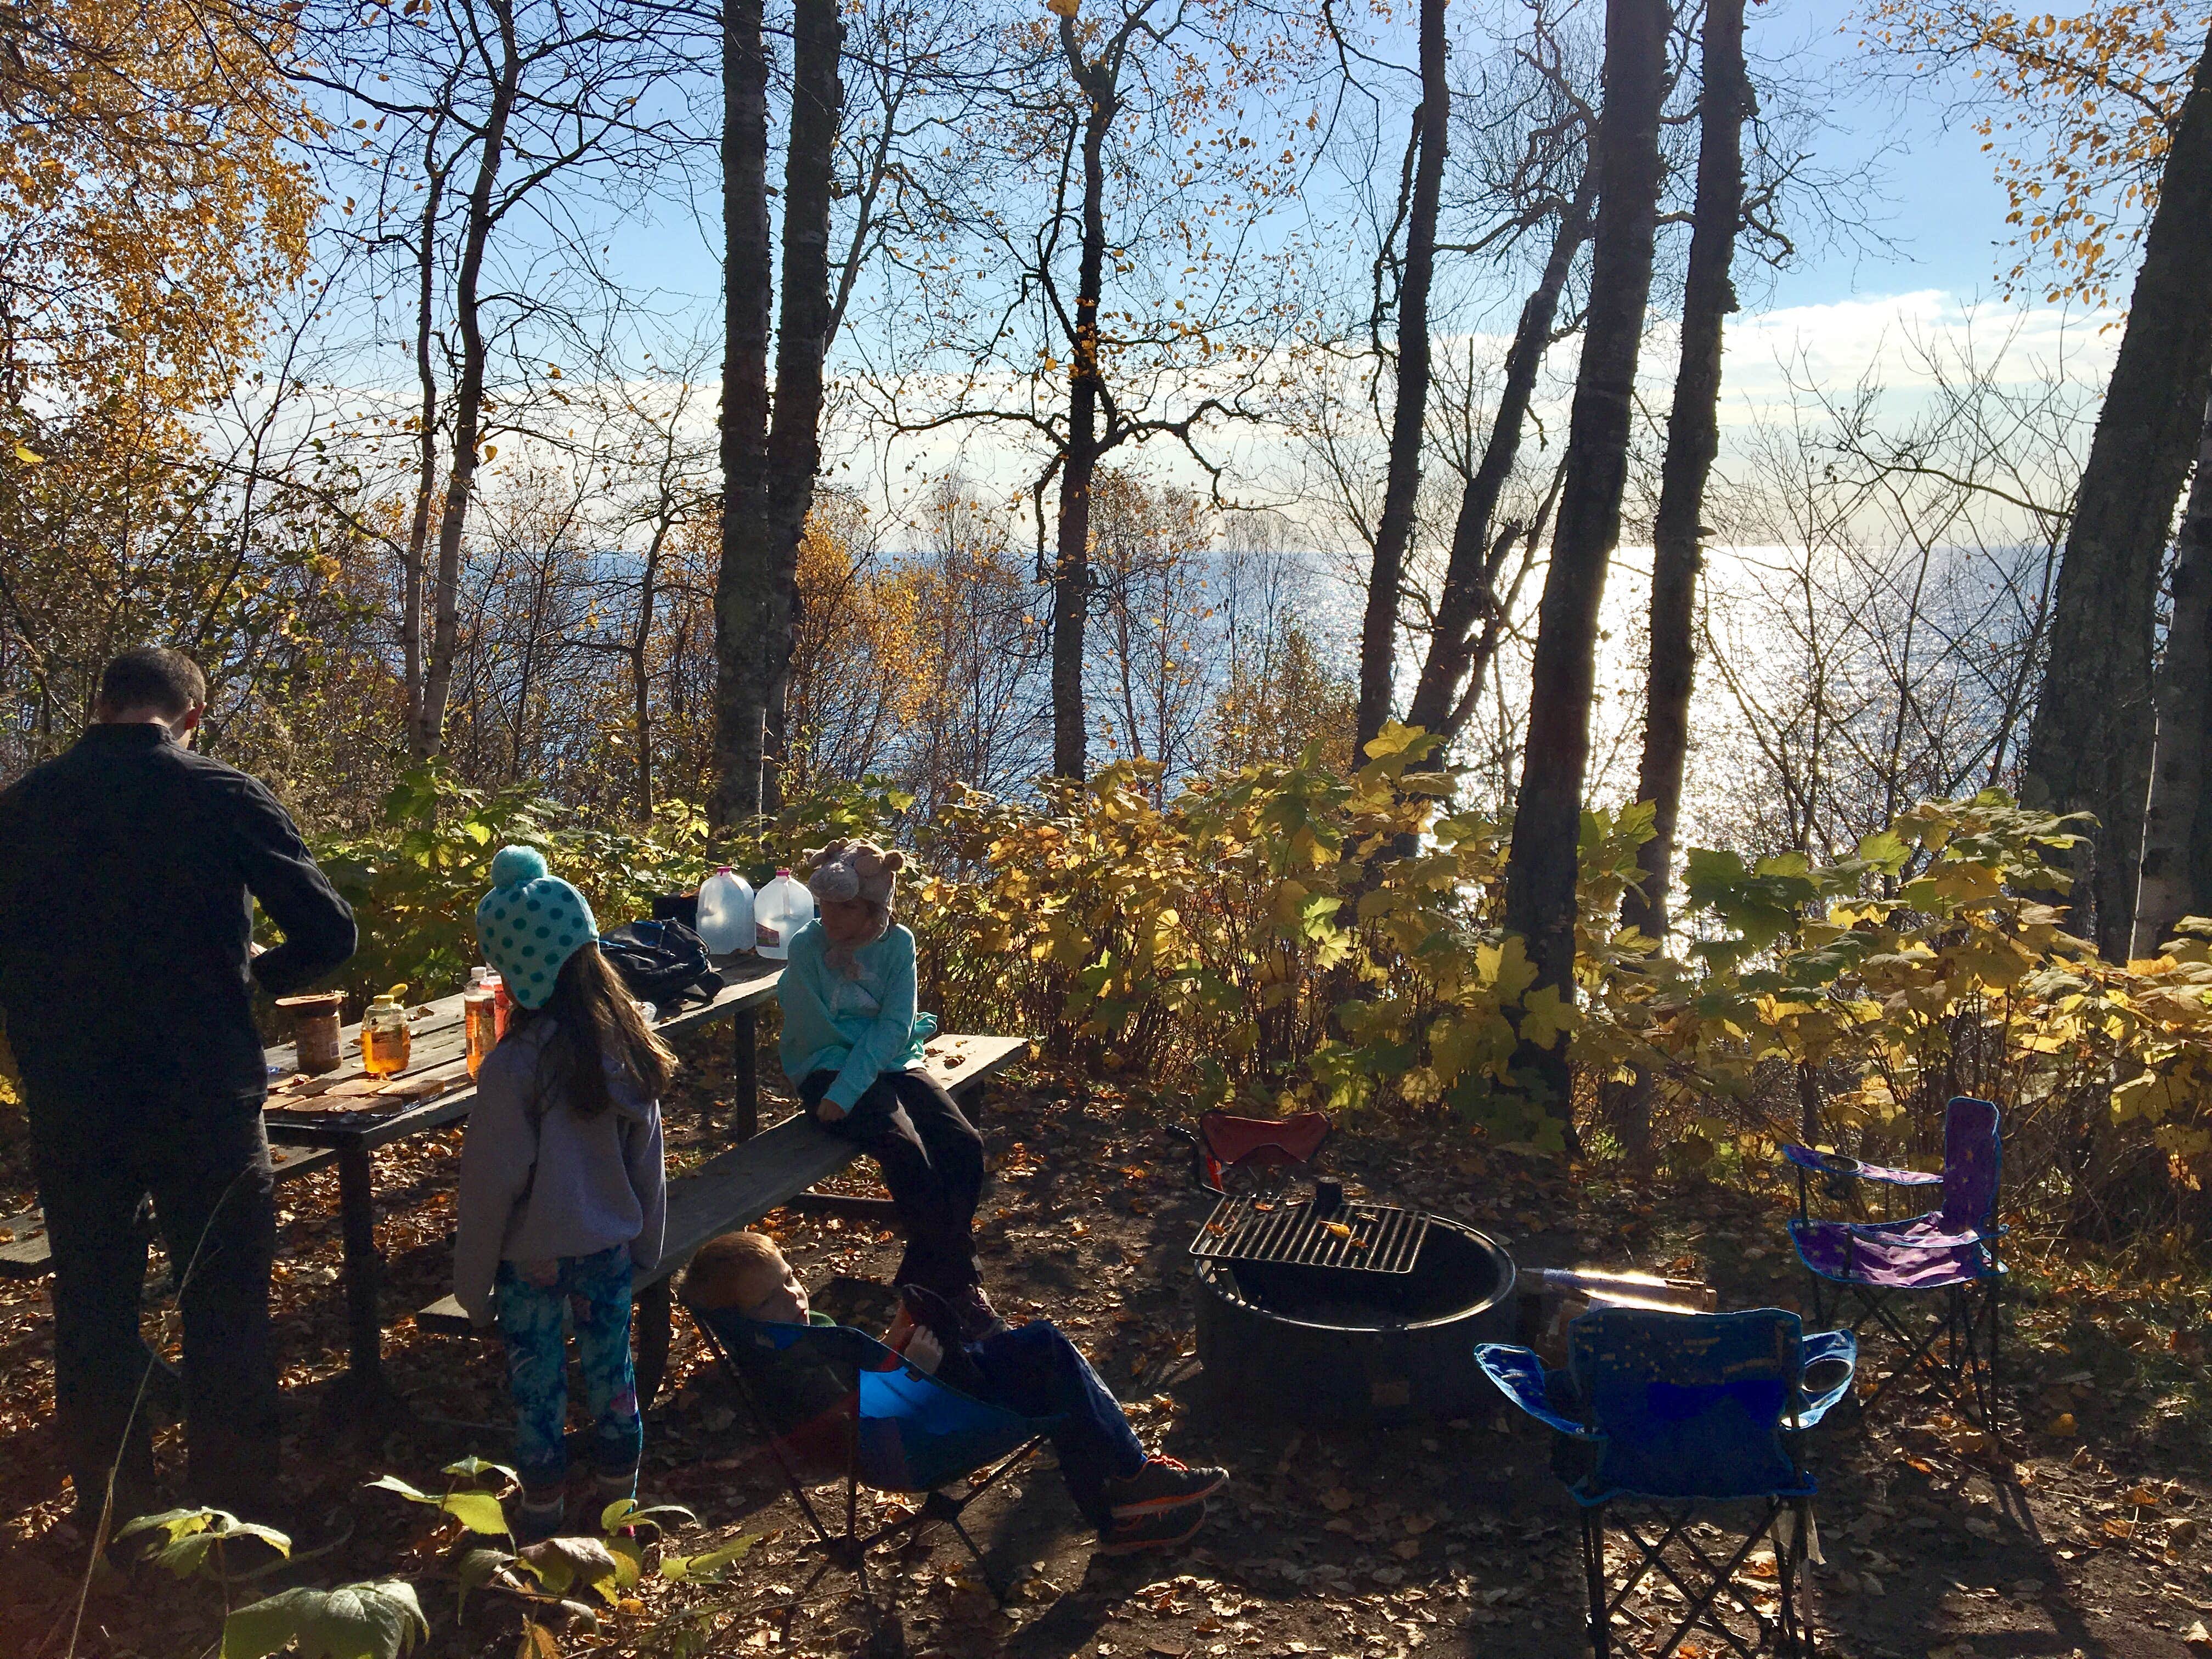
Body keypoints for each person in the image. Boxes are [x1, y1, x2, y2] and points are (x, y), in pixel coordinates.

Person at [0, 648, 358, 1532]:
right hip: (203, 1093)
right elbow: (329, 932)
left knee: (93, 1303)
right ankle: (233, 1517)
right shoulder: (222, 794)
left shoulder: (22, 807)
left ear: (101, 705)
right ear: (191, 717)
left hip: (75, 1100)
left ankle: (113, 1513)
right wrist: (255, 976)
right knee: (224, 1300)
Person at [682, 1230, 1229, 1554]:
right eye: (771, 1299)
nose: (795, 1297)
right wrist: (913, 1373)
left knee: (1044, 1364)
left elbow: (859, 1379)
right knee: (1045, 1356)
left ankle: (1122, 1505)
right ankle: (1127, 1486)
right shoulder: (791, 1372)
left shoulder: (792, 1341)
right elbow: (858, 1429)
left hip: (920, 1410)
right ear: (743, 1319)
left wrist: (897, 1343)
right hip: (919, 1440)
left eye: (790, 1278)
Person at [454, 845, 672, 1544]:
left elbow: (489, 1186)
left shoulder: (513, 1066)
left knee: (538, 1388)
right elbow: (648, 1165)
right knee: (614, 1380)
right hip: (608, 1252)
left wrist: (472, 1283)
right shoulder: (624, 1044)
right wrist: (648, 1247)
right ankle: (618, 1512)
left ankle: (542, 1517)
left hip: (531, 1265)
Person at [777, 839, 998, 1338]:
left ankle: (929, 1276)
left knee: (963, 1144)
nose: (830, 915)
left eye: (846, 907)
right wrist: (843, 1091)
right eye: (826, 904)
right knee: (904, 1149)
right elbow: (813, 1033)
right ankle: (959, 1289)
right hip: (827, 1064)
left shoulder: (897, 943)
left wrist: (862, 1078)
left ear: (874, 909)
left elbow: (896, 1023)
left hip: (890, 1057)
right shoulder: (807, 947)